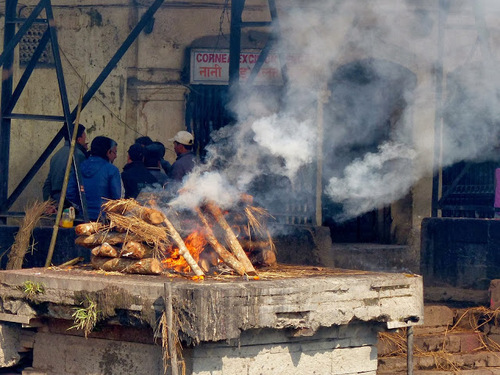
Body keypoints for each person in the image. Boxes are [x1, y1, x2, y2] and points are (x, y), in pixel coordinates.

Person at [67, 136, 121, 221]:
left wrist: (83, 205)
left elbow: (70, 193)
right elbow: (117, 198)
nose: (116, 156)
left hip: (82, 219)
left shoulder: (79, 167)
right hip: (103, 220)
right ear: (108, 152)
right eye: (114, 152)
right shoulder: (112, 170)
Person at [42, 124, 88, 202]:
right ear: (79, 139)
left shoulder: (56, 155)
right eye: (84, 138)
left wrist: (48, 203)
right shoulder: (78, 155)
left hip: (55, 201)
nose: (85, 141)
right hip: (69, 201)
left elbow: (48, 184)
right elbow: (79, 183)